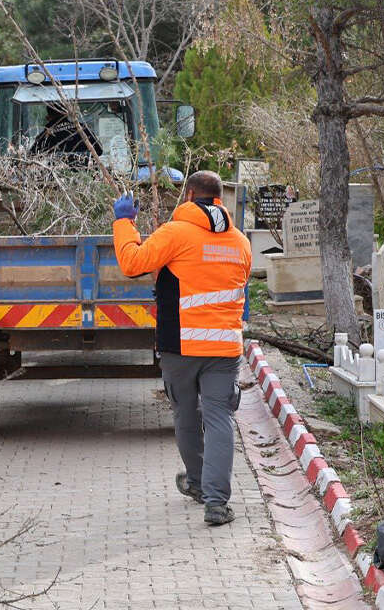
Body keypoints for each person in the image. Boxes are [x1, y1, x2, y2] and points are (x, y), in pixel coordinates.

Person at [111, 171, 252, 526]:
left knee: (186, 416)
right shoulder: (240, 242)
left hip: (180, 346)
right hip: (224, 347)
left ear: (189, 194)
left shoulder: (176, 233)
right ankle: (216, 503)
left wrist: (125, 222)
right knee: (220, 418)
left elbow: (132, 264)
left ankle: (197, 483)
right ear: (220, 199)